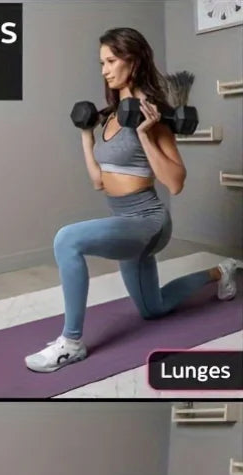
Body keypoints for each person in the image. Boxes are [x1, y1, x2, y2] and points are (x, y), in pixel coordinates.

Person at [25, 28, 241, 373]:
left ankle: (71, 342)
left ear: (134, 61)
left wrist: (145, 136)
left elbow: (175, 183)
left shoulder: (153, 116)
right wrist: (86, 137)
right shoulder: (112, 115)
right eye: (102, 63)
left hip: (148, 223)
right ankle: (222, 271)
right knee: (154, 309)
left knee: (67, 239)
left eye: (111, 61)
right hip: (123, 221)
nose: (104, 70)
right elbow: (99, 181)